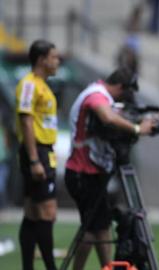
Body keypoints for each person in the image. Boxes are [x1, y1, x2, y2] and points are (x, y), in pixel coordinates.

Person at [64, 67, 154, 270]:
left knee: (99, 226)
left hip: (91, 172)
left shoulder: (99, 94)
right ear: (121, 87)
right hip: (83, 172)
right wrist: (138, 128)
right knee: (93, 227)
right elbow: (108, 118)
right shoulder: (96, 95)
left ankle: (108, 266)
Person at [15, 40, 60, 270]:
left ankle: (27, 267)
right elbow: (26, 120)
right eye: (54, 57)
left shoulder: (43, 85)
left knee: (33, 212)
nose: (57, 61)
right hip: (37, 151)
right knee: (47, 211)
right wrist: (34, 159)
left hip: (44, 151)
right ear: (42, 59)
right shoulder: (29, 84)